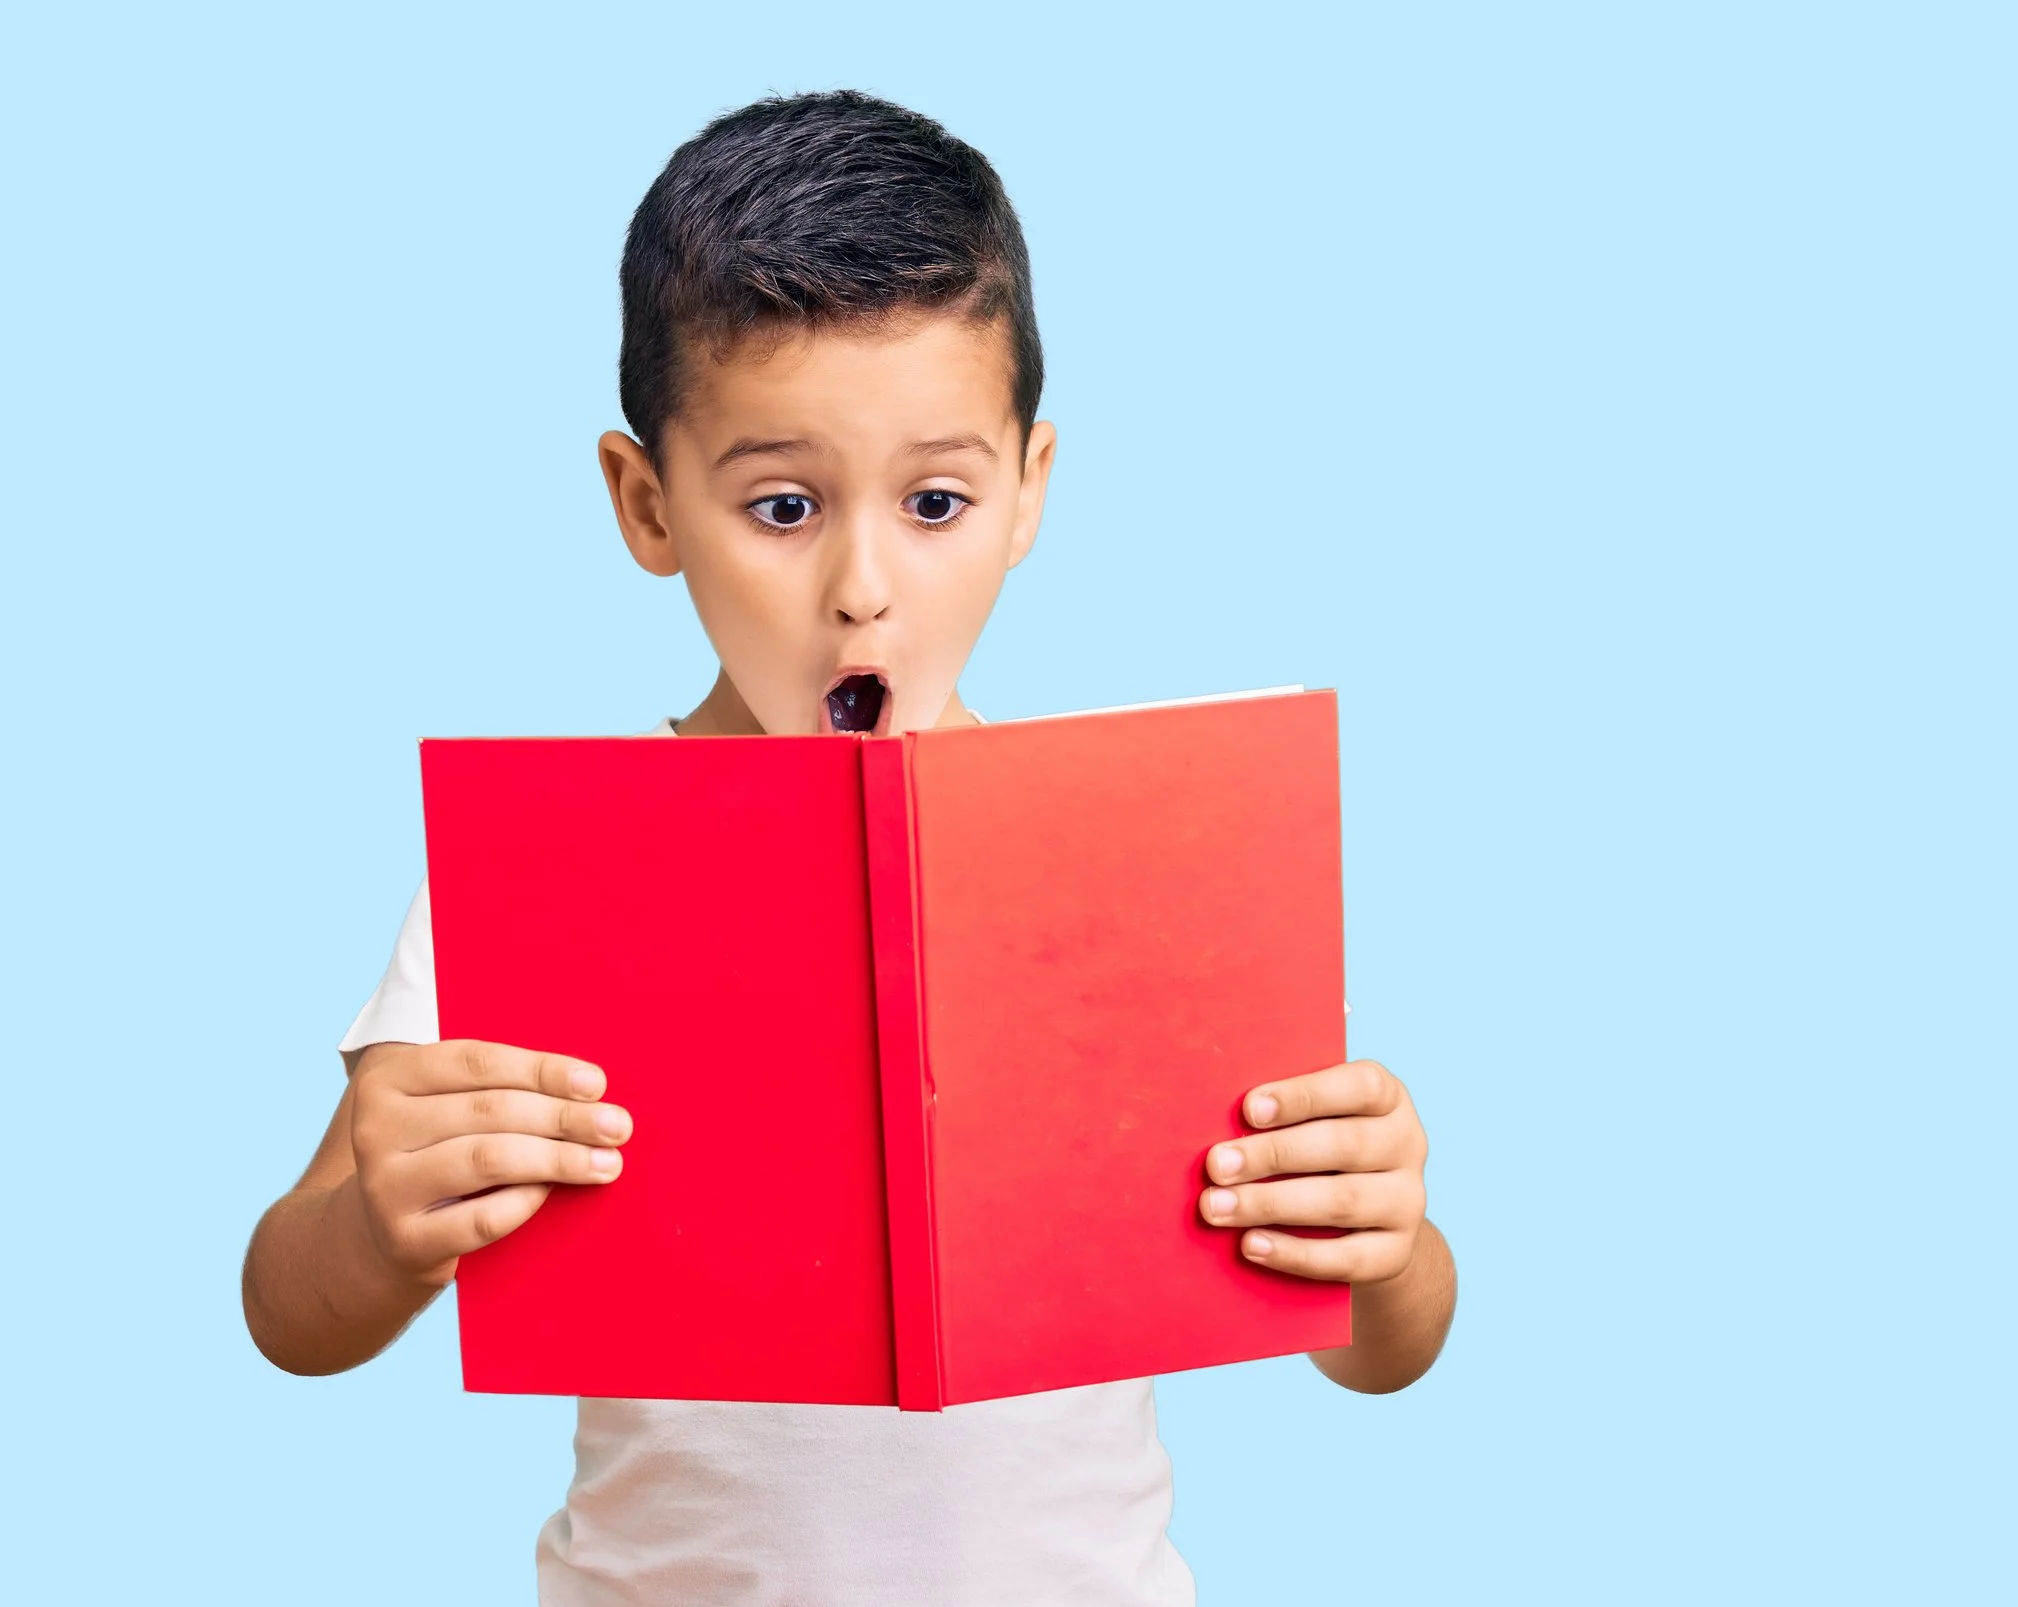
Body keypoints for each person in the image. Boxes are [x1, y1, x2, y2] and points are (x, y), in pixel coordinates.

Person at [239, 89, 1456, 1605]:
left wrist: (1388, 1235)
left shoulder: (1142, 863)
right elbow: (289, 1309)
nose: (863, 588)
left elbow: (1387, 1343)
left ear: (1030, 493)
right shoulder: (549, 876)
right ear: (647, 503)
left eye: (937, 500)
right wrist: (379, 1227)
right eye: (784, 504)